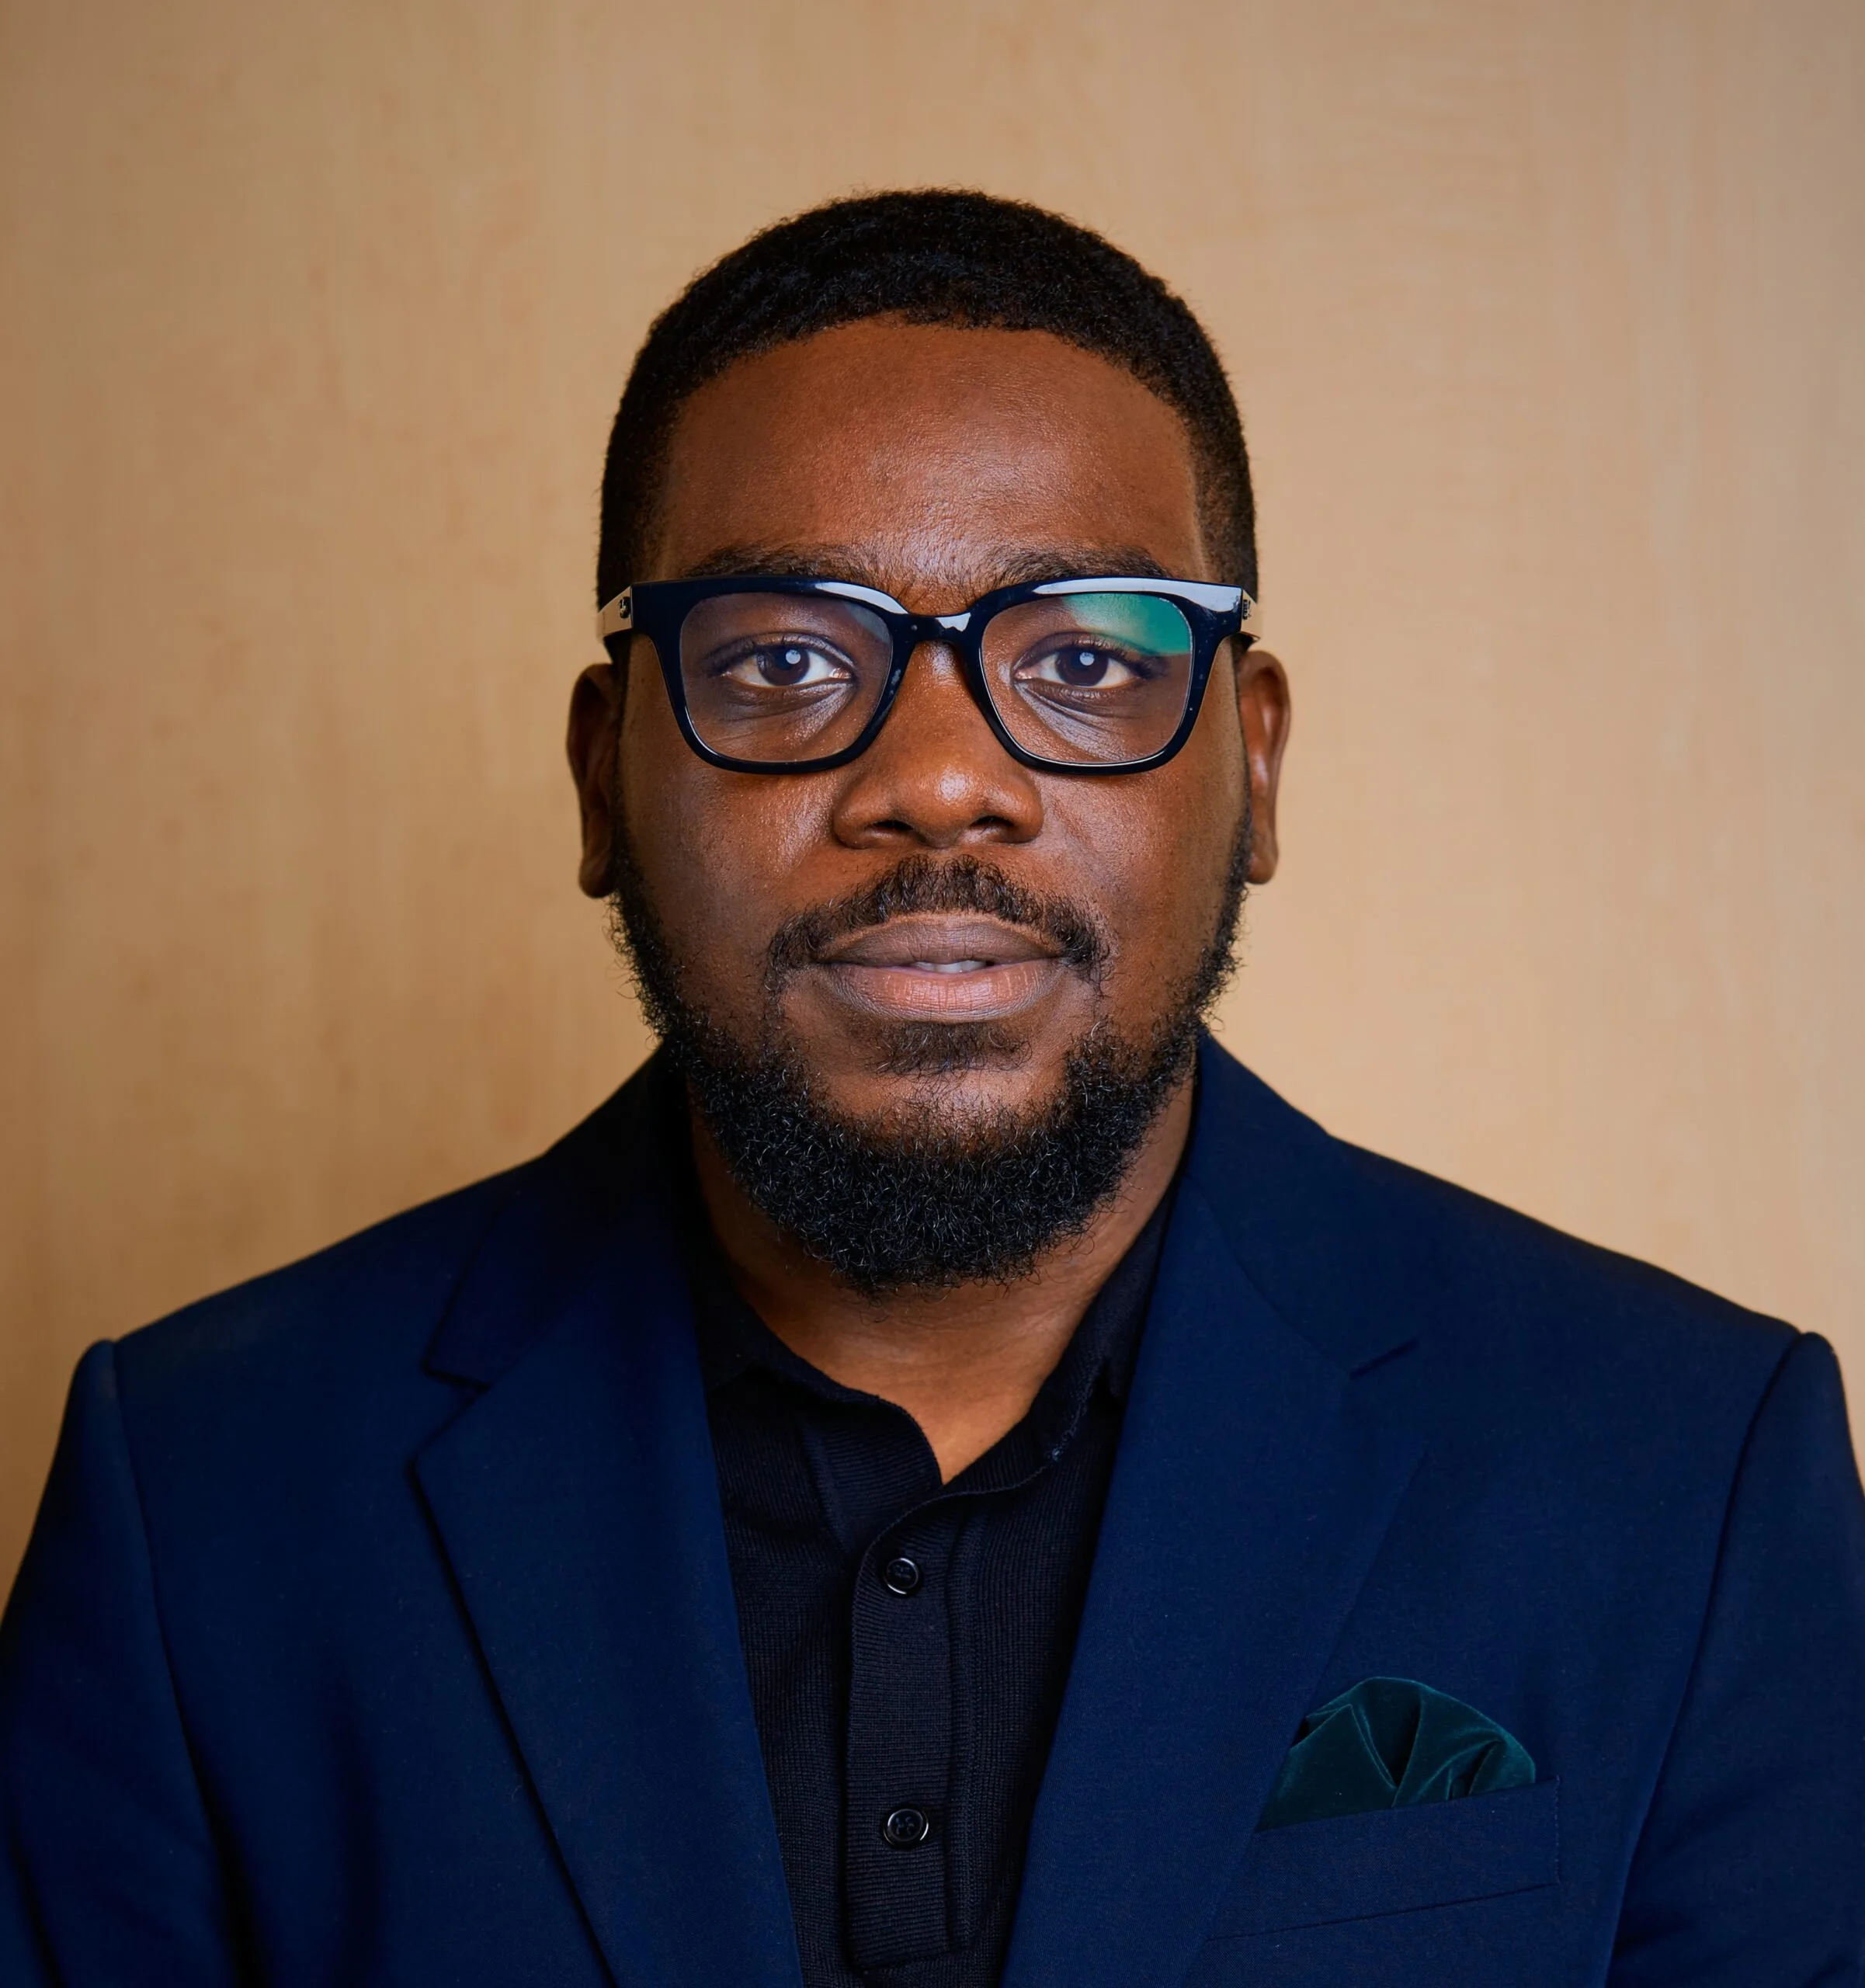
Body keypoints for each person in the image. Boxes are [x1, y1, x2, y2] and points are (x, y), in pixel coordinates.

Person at [2, 190, 1861, 1988]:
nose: (941, 780)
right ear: (602, 774)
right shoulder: (203, 1498)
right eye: (786, 659)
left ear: (1256, 765)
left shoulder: (1679, 1468)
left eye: (1086, 659)